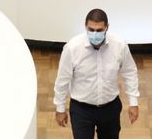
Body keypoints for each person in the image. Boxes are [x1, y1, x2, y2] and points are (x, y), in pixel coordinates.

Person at [54, 8, 140, 139]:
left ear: (107, 27)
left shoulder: (119, 45)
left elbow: (130, 72)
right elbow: (62, 80)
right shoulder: (72, 48)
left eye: (99, 30)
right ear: (85, 26)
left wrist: (133, 102)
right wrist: (60, 108)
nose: (95, 33)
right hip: (81, 110)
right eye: (91, 29)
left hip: (110, 108)